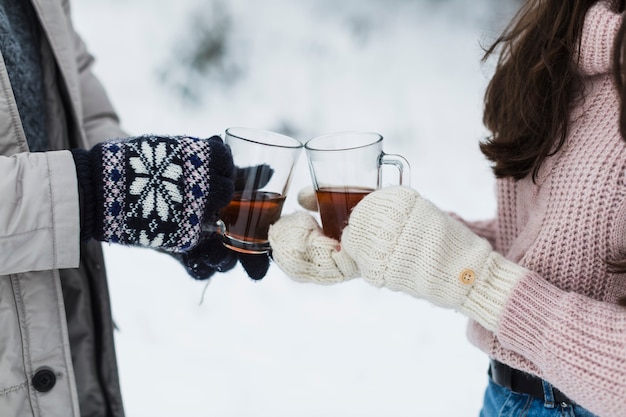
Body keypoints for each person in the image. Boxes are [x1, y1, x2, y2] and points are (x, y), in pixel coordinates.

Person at [268, 1, 626, 416]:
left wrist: (474, 280)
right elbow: (556, 242)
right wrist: (386, 240)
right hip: (505, 398)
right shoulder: (558, 39)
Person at [0, 1, 268, 416]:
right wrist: (95, 190)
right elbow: (94, 184)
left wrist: (157, 196)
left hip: (64, 335)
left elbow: (75, 95)